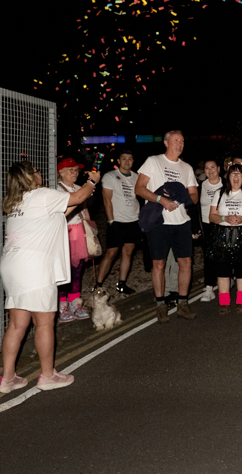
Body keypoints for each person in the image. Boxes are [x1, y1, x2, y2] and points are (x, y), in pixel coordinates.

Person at [1, 161, 99, 393]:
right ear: (28, 177)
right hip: (34, 268)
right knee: (44, 323)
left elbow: (60, 213)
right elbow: (78, 197)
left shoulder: (16, 202)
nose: (40, 173)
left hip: (11, 266)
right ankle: (47, 376)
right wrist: (92, 180)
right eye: (35, 171)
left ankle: (7, 378)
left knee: (16, 325)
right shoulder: (42, 195)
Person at [135, 130, 200, 323]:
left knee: (186, 263)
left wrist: (181, 199)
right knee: (159, 264)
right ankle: (160, 305)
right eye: (175, 141)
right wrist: (161, 199)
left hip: (181, 223)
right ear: (166, 142)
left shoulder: (187, 168)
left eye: (182, 141)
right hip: (159, 222)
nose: (179, 144)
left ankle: (182, 304)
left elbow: (194, 196)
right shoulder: (153, 161)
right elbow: (139, 189)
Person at [209, 164, 242, 314]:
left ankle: (241, 303)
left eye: (239, 174)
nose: (236, 177)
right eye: (233, 174)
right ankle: (224, 303)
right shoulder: (220, 193)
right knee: (222, 269)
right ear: (228, 177)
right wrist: (225, 218)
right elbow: (211, 216)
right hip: (222, 234)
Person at [95, 150, 141, 295]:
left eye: (130, 159)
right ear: (118, 161)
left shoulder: (137, 177)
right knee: (111, 253)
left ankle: (121, 284)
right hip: (117, 221)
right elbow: (106, 199)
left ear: (133, 161)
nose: (127, 162)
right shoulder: (110, 176)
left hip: (133, 220)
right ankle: (98, 285)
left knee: (128, 252)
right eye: (124, 159)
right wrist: (111, 220)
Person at [56, 158, 94, 322]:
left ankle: (75, 303)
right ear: (61, 172)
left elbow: (85, 211)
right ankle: (62, 306)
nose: (75, 173)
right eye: (70, 170)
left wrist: (90, 230)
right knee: (63, 270)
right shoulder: (56, 190)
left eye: (76, 170)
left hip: (78, 232)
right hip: (63, 232)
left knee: (78, 269)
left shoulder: (80, 189)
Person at [197, 160, 223, 302]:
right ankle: (209, 287)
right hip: (207, 226)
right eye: (207, 168)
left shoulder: (226, 184)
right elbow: (196, 207)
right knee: (209, 257)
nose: (210, 170)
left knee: (224, 255)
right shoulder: (201, 186)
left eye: (213, 167)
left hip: (224, 224)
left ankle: (224, 281)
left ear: (218, 168)